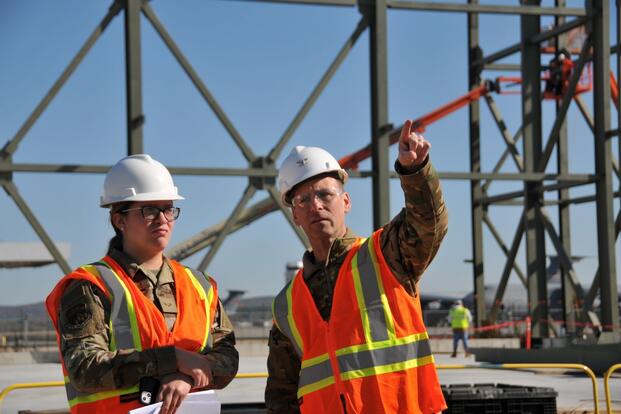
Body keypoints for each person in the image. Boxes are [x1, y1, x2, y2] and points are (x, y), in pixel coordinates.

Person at [265, 120, 449, 413]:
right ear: (295, 216)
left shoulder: (386, 255)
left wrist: (415, 172)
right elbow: (282, 394)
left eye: (325, 194)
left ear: (346, 201)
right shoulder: (287, 305)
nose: (316, 205)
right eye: (303, 199)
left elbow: (428, 223)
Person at [46, 154, 239, 414]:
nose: (162, 219)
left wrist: (187, 378)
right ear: (119, 219)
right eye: (149, 210)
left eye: (168, 208)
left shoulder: (199, 285)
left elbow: (227, 356)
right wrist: (173, 359)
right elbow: (84, 368)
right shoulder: (90, 286)